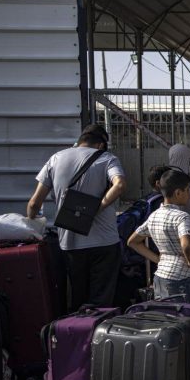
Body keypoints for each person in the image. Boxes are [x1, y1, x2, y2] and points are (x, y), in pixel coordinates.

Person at [26, 124, 126, 309]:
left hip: (70, 243)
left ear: (80, 141)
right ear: (101, 145)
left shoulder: (55, 159)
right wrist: (98, 207)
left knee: (77, 299)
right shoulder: (107, 158)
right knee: (101, 302)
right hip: (105, 243)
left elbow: (34, 203)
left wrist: (32, 224)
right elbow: (119, 185)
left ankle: (75, 334)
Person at [127, 169, 190, 302]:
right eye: (188, 190)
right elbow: (187, 245)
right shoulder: (182, 217)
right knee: (184, 319)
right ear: (178, 193)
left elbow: (132, 241)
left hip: (160, 276)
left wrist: (157, 259)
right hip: (181, 280)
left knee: (165, 318)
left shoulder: (154, 216)